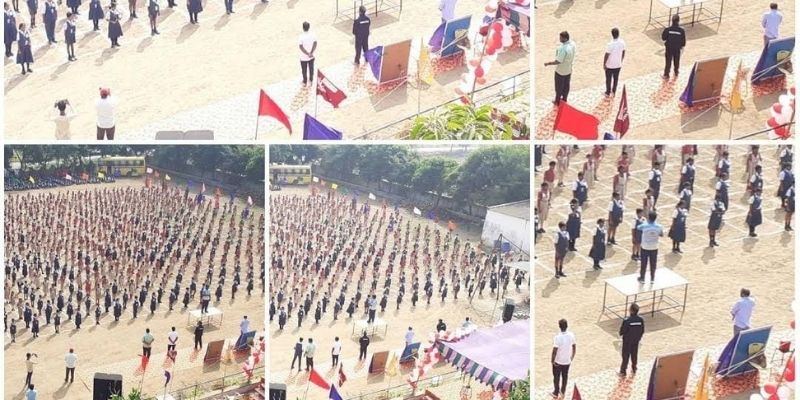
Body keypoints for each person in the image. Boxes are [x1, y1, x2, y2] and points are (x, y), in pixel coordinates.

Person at [543, 31, 576, 105]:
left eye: (561, 38)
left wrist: (548, 63)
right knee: (566, 86)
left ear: (565, 38)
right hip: (568, 69)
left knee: (559, 87)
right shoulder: (573, 44)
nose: (559, 39)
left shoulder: (563, 49)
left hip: (560, 71)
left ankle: (557, 101)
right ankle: (564, 99)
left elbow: (558, 61)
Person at [551, 319, 576, 398]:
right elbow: (574, 347)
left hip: (558, 362)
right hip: (567, 361)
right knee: (565, 377)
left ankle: (556, 392)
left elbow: (554, 351)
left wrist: (552, 361)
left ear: (559, 327)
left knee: (556, 378)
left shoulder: (557, 337)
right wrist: (572, 357)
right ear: (567, 326)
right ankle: (563, 392)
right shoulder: (571, 335)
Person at [637, 211, 663, 283]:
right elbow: (661, 234)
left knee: (643, 263)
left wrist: (644, 222)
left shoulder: (644, 225)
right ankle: (652, 278)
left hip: (645, 247)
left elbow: (638, 227)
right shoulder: (659, 226)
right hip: (654, 247)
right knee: (653, 263)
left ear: (648, 217)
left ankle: (642, 278)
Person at [618, 303, 644, 376]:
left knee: (625, 356)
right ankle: (634, 368)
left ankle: (623, 371)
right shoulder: (640, 320)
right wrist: (638, 338)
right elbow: (642, 330)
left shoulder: (627, 320)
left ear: (631, 311)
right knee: (634, 355)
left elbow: (622, 331)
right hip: (635, 341)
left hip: (627, 342)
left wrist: (621, 333)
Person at [661, 15, 685, 79]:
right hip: (677, 48)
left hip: (669, 48)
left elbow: (663, 38)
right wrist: (681, 46)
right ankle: (676, 72)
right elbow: (683, 41)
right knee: (676, 60)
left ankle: (666, 74)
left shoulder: (667, 29)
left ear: (672, 21)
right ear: (678, 21)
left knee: (668, 61)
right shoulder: (681, 30)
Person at [603, 27, 625, 97]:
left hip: (610, 65)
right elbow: (623, 51)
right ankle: (614, 92)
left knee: (608, 79)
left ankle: (608, 92)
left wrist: (604, 64)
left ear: (612, 34)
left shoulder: (610, 44)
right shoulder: (622, 42)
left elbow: (607, 54)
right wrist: (621, 60)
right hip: (618, 64)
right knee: (616, 79)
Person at [298, 21, 316, 87]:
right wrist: (311, 52)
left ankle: (305, 81)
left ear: (303, 28)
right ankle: (311, 80)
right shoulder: (313, 35)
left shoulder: (301, 36)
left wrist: (307, 53)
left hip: (303, 57)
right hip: (311, 56)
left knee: (304, 70)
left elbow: (301, 46)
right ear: (309, 27)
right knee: (311, 69)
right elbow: (315, 43)